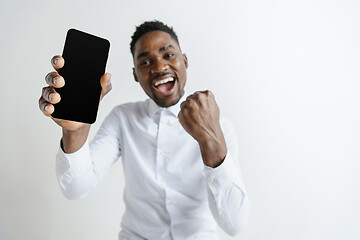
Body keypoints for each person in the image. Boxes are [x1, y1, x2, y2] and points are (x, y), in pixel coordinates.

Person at [39, 20, 250, 240]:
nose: (159, 67)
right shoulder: (123, 119)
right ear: (135, 75)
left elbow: (234, 224)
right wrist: (75, 131)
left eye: (168, 55)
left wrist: (210, 139)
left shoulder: (220, 126)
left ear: (184, 60)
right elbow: (75, 188)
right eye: (146, 61)